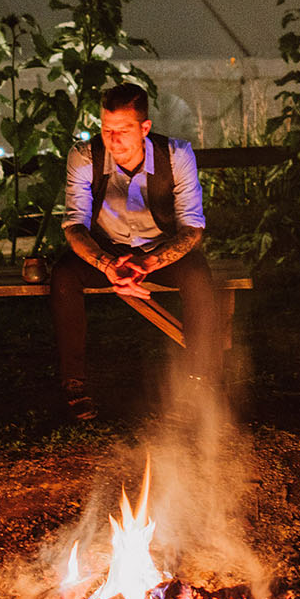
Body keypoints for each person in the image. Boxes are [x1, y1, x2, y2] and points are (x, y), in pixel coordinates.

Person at [50, 83, 218, 420]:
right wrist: (107, 263)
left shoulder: (176, 155)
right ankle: (74, 383)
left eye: (124, 130)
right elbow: (74, 226)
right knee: (64, 276)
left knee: (199, 277)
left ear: (144, 128)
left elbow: (192, 229)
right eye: (106, 129)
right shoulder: (84, 156)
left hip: (159, 249)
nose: (114, 141)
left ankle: (199, 380)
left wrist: (149, 262)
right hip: (106, 249)